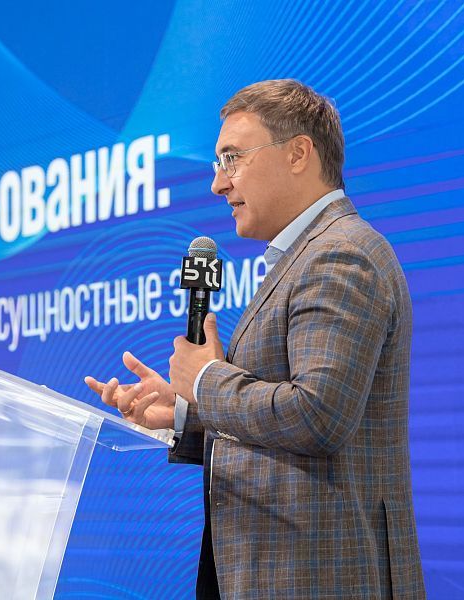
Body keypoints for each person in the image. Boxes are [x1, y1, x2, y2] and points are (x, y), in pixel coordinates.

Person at [84, 80, 426, 599]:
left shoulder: (340, 255)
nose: (218, 184)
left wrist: (206, 380)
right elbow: (289, 424)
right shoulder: (309, 256)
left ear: (298, 153)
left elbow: (317, 415)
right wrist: (185, 411)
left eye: (232, 158)